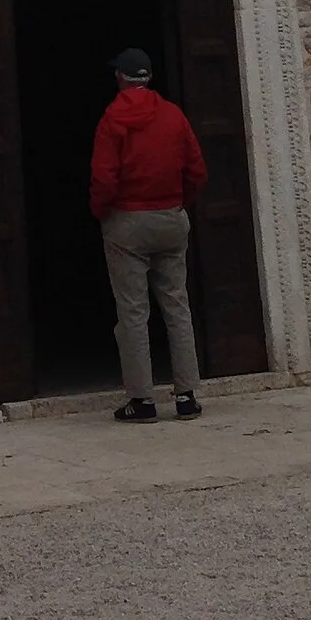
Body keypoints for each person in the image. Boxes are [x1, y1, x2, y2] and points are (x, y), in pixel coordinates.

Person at [88, 45, 208, 423]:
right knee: (177, 306)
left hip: (128, 221)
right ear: (149, 77)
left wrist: (101, 212)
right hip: (170, 217)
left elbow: (104, 176)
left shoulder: (112, 119)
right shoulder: (173, 116)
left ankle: (142, 400)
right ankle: (187, 395)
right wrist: (178, 204)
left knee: (133, 313)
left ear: (121, 78)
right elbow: (196, 170)